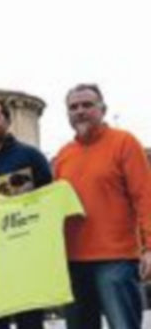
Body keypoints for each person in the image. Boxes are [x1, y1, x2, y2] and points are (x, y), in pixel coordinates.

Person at [54, 84, 151, 329]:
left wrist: (149, 247)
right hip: (73, 262)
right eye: (73, 107)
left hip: (116, 260)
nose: (80, 111)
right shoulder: (63, 156)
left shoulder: (124, 143)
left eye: (87, 105)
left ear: (103, 109)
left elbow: (145, 197)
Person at [0, 99, 51, 329]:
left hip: (23, 253)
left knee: (29, 318)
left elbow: (48, 200)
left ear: (8, 120)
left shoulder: (30, 156)